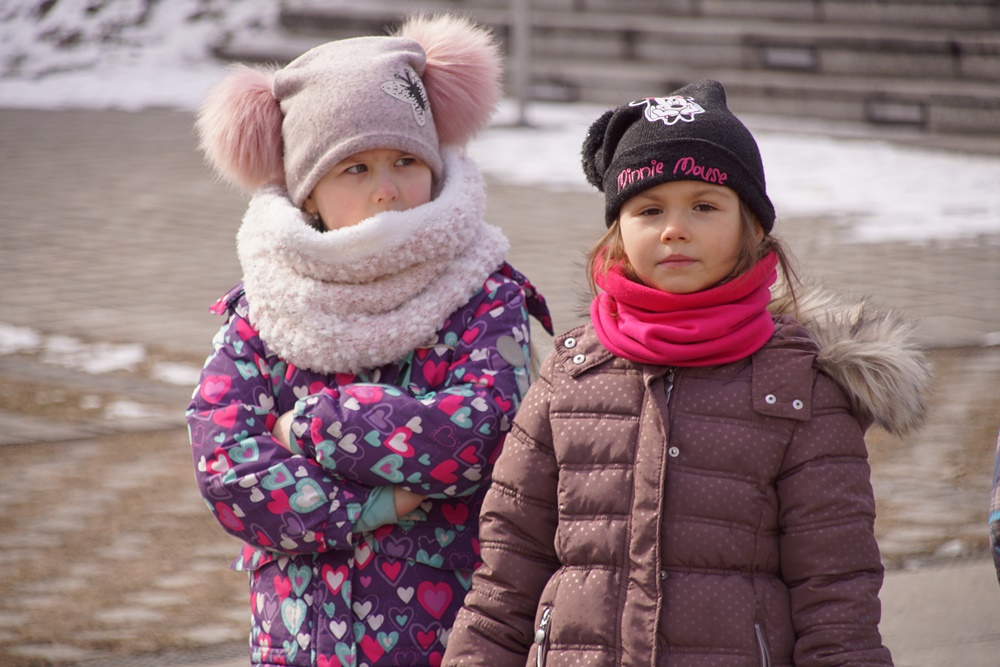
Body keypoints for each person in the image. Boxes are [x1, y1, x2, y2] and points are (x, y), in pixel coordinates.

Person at [443, 80, 932, 666]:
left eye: (704, 206)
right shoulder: (571, 375)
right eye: (650, 209)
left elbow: (836, 596)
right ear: (618, 232)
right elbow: (506, 577)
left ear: (753, 227)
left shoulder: (800, 387)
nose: (674, 228)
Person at [186, 14, 552, 667]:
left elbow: (480, 431)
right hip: (300, 642)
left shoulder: (484, 295)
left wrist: (315, 426)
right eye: (354, 168)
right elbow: (227, 465)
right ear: (309, 195)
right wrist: (373, 503)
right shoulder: (265, 307)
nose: (387, 190)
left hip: (447, 639)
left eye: (406, 161)